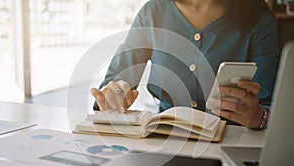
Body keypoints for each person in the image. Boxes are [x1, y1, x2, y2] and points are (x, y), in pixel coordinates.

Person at [91, 0, 280, 129]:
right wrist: (111, 97)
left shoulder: (259, 19)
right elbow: (116, 81)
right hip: (164, 139)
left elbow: (273, 108)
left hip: (233, 145)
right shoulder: (153, 12)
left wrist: (259, 118)